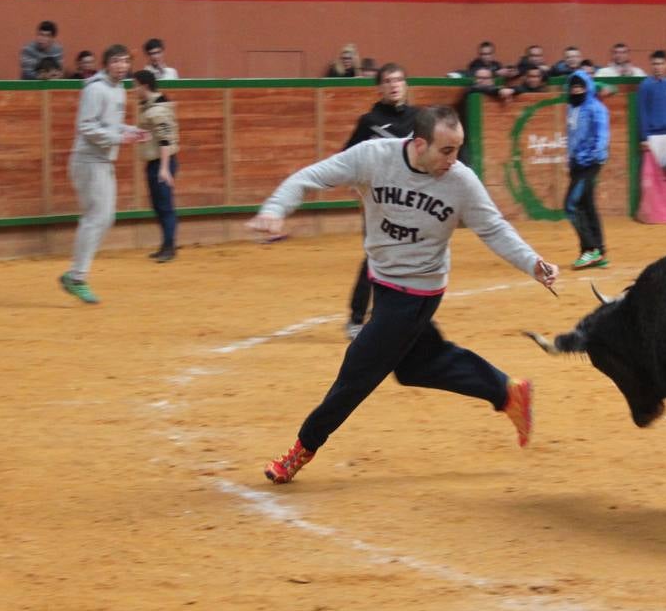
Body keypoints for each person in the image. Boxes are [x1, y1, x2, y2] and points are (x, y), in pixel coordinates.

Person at [248, 105, 559, 484]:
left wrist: (533, 263)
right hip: (384, 281)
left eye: (458, 149)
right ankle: (506, 392)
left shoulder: (460, 180)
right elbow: (311, 176)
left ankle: (302, 449)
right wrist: (277, 208)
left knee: (356, 373)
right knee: (415, 366)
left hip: (418, 292)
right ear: (419, 143)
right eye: (446, 150)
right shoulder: (373, 157)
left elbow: (493, 228)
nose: (453, 159)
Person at [60, 45, 148, 303]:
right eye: (116, 61)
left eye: (125, 62)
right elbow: (86, 126)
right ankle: (76, 277)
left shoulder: (119, 89)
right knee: (96, 217)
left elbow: (109, 124)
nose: (121, 66)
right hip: (88, 160)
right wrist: (119, 138)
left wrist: (131, 131)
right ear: (106, 63)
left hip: (102, 160)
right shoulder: (95, 89)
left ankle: (75, 275)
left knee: (105, 218)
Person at [340, 62, 421, 339]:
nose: (394, 85)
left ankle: (387, 316)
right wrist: (358, 186)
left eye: (398, 80)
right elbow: (347, 158)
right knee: (376, 256)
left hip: (414, 201)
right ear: (379, 87)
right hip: (379, 202)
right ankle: (356, 317)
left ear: (406, 84)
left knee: (410, 256)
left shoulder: (420, 119)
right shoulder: (370, 122)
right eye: (388, 81)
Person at [134, 70, 180, 263]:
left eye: (135, 85)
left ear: (144, 86)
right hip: (156, 162)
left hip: (162, 162)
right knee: (159, 206)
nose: (134, 89)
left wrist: (164, 168)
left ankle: (169, 247)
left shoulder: (157, 109)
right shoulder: (150, 106)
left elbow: (165, 140)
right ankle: (166, 245)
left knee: (165, 206)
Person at [564, 71, 609, 269]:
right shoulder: (571, 107)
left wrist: (591, 157)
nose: (576, 90)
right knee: (587, 206)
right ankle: (597, 250)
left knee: (571, 205)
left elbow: (602, 137)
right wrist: (571, 159)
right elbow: (572, 136)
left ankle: (590, 250)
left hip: (590, 164)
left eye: (580, 87)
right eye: (573, 87)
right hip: (577, 164)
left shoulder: (596, 108)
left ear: (587, 88)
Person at [638, 50, 666, 172]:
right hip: (654, 136)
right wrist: (644, 138)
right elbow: (643, 111)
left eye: (660, 64)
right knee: (654, 173)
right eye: (654, 64)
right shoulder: (645, 85)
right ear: (651, 65)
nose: (657, 67)